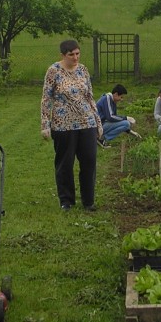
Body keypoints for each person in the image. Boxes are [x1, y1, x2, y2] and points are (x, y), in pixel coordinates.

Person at [41, 39, 102, 211]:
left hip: (86, 122)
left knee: (89, 161)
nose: (75, 58)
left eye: (77, 54)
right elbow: (46, 99)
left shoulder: (83, 70)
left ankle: (88, 201)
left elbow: (90, 96)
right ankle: (66, 200)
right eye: (71, 55)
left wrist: (98, 122)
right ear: (63, 55)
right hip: (63, 125)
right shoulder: (54, 71)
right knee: (65, 163)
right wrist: (45, 124)